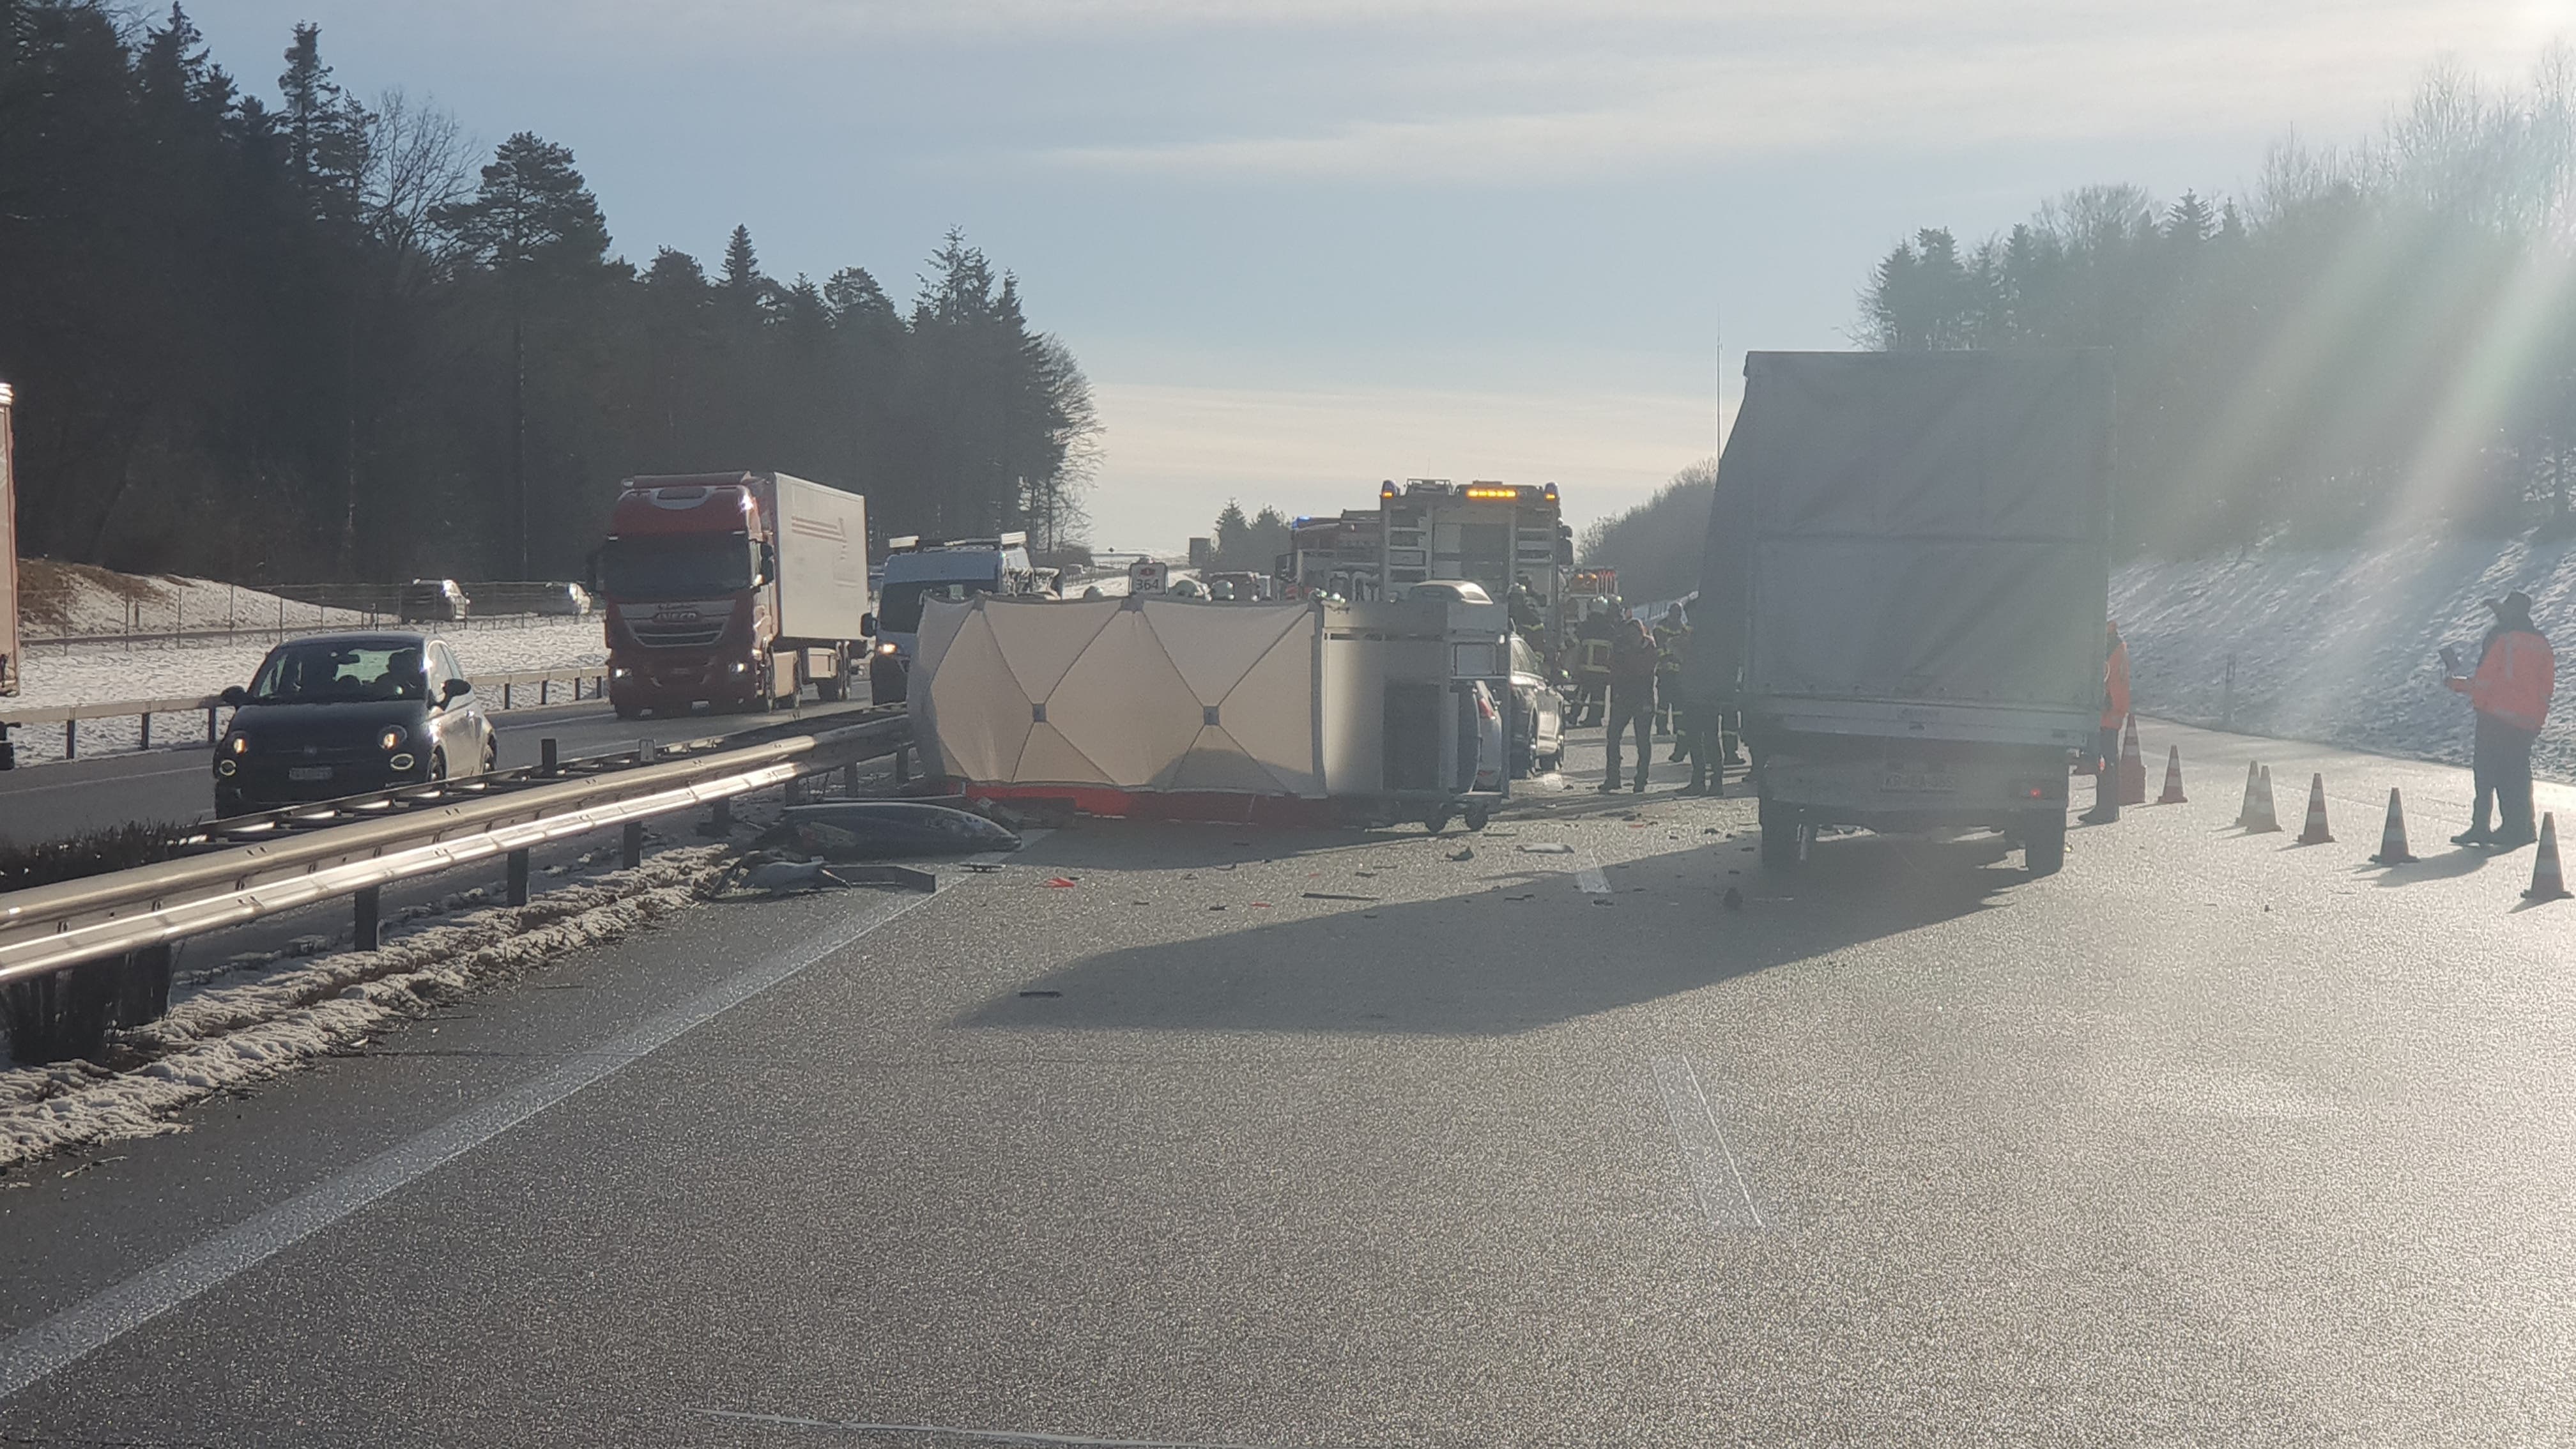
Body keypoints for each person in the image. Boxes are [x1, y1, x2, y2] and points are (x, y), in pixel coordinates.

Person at [2446, 590, 2555, 848]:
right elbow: (2546, 687)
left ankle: (2481, 826)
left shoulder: (2503, 639)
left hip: (2495, 718)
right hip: (2526, 722)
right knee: (2517, 775)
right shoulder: (2541, 643)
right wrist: (2537, 720)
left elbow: (2486, 680)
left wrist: (2460, 687)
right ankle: (2522, 828)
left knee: (2486, 773)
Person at [1600, 617, 1658, 794]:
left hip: (1642, 698)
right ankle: (1613, 778)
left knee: (1642, 740)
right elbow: (1613, 667)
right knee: (1613, 736)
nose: (1631, 637)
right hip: (1623, 697)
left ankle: (1641, 779)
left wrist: (1626, 661)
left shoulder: (1648, 647)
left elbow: (1642, 669)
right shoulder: (1620, 647)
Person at [2080, 620, 2129, 825]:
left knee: (2106, 763)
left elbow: (2112, 680)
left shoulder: (2112, 650)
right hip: (2110, 712)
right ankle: (2106, 808)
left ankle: (2106, 809)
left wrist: (2108, 705)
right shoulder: (2116, 646)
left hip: (2109, 713)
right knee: (2106, 763)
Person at [1653, 605, 1689, 744]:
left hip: (1678, 673)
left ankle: (1678, 728)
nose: (1677, 615)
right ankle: (1661, 727)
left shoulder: (1683, 629)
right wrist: (1667, 658)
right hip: (1665, 671)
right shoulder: (1660, 628)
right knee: (1663, 702)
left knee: (1678, 703)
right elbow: (1660, 647)